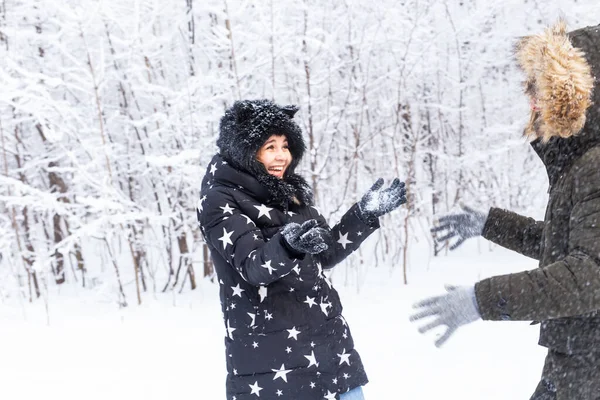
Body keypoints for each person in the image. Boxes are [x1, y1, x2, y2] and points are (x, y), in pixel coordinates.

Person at [410, 21, 600, 399]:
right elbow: (564, 242)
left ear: (576, 96)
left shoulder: (594, 164)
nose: (532, 103)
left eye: (542, 90)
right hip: (580, 355)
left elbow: (588, 275)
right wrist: (490, 224)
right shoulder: (581, 162)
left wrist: (481, 299)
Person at [197, 99, 407, 400]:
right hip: (274, 361)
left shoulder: (290, 194)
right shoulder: (219, 201)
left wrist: (363, 214)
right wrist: (287, 246)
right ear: (244, 149)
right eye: (270, 147)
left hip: (328, 345)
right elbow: (254, 267)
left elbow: (326, 253)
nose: (282, 155)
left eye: (285, 146)